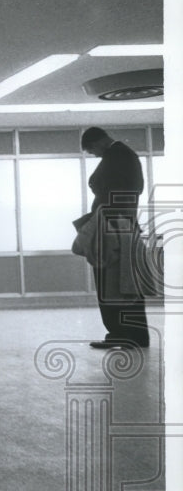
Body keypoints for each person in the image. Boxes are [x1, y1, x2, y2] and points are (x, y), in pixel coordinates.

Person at [81, 126, 150, 349]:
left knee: (114, 284)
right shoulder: (123, 155)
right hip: (120, 226)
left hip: (113, 228)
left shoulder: (118, 156)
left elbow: (107, 189)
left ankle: (125, 334)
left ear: (99, 142)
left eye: (91, 150)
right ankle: (131, 335)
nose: (94, 154)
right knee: (123, 283)